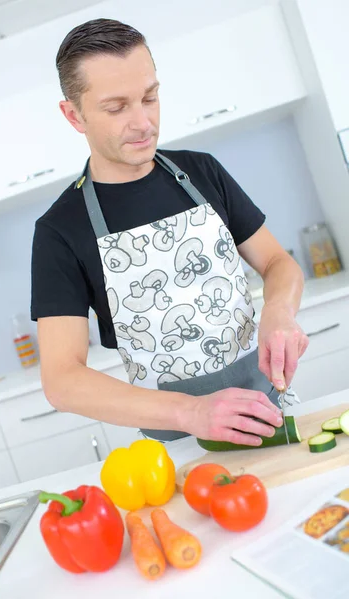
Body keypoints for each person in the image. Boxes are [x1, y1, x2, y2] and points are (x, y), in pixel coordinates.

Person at [31, 18, 309, 445]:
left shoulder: (203, 172)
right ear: (74, 115)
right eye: (116, 107)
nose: (143, 122)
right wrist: (192, 411)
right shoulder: (59, 230)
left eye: (150, 97)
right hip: (178, 444)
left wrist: (280, 311)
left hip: (271, 406)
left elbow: (276, 262)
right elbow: (63, 380)